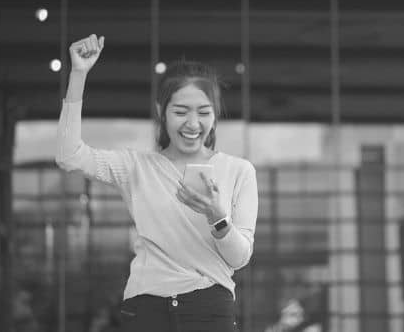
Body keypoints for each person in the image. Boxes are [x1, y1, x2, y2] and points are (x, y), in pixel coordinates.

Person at [55, 34, 258, 332]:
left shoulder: (239, 171)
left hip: (209, 311)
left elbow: (239, 258)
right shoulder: (136, 167)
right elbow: (68, 155)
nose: (192, 124)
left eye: (204, 112)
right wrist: (78, 74)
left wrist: (218, 219)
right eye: (180, 112)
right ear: (161, 112)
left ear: (215, 116)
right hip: (145, 310)